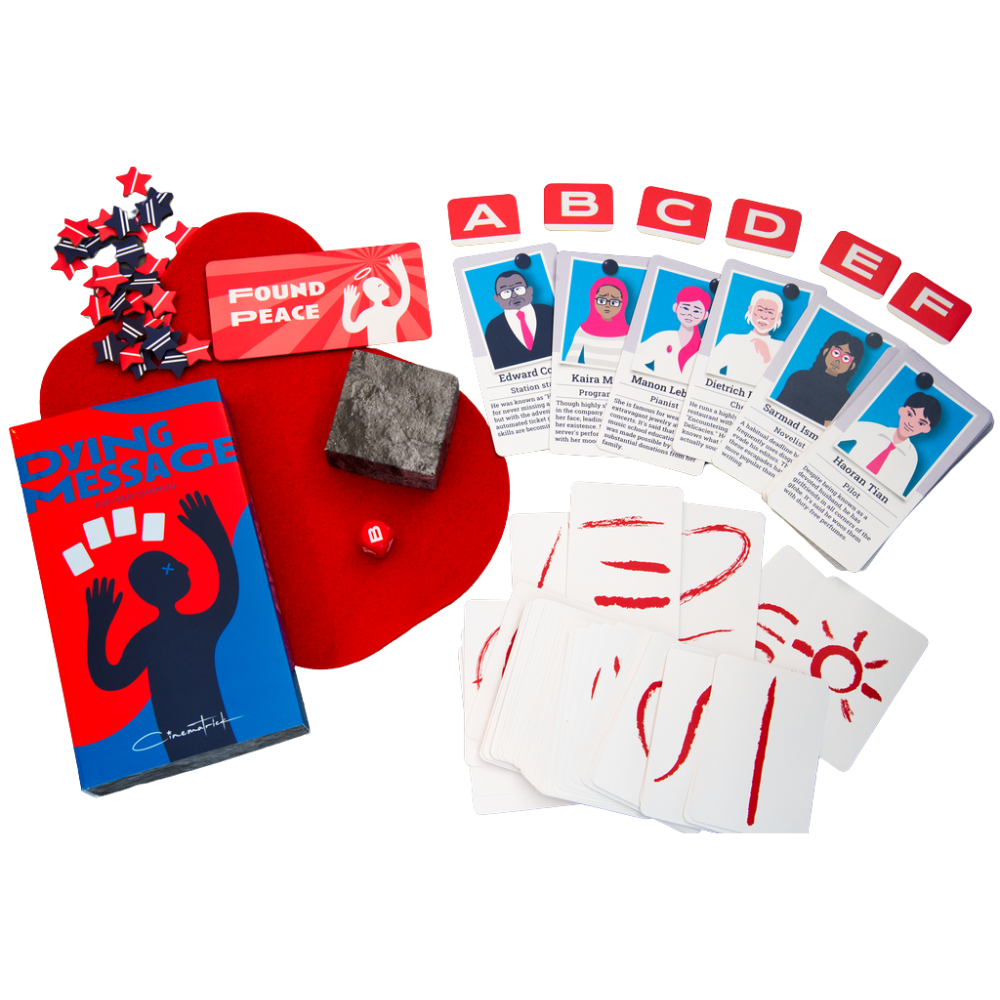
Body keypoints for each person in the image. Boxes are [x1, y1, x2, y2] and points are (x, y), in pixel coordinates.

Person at [86, 492, 240, 762]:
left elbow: (109, 677)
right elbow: (227, 591)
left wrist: (99, 623)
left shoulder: (148, 638)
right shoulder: (197, 626)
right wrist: (213, 534)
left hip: (186, 743)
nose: (184, 566)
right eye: (172, 566)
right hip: (205, 737)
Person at [840, 391, 941, 496]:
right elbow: (837, 434)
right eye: (910, 414)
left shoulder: (911, 458)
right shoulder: (871, 429)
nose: (911, 424)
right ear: (902, 411)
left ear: (926, 429)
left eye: (920, 423)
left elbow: (895, 493)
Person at [776, 331, 865, 425]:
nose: (838, 361)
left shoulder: (844, 399)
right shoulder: (799, 377)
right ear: (826, 351)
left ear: (852, 366)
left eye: (845, 358)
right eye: (836, 353)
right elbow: (777, 408)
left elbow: (831, 429)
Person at [633, 285, 711, 382]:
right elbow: (637, 358)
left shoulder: (704, 348)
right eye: (685, 308)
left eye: (696, 311)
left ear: (705, 315)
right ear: (676, 307)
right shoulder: (663, 338)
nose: (690, 314)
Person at [708, 288, 783, 385]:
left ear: (778, 316)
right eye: (760, 310)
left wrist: (767, 357)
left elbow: (782, 382)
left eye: (770, 312)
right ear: (751, 309)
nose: (764, 316)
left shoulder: (782, 348)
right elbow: (710, 366)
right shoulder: (731, 340)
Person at [483, 270, 554, 370]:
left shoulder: (548, 312)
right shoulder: (493, 328)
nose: (514, 295)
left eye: (518, 289)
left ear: (529, 290)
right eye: (506, 292)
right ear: (497, 298)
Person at [342, 252, 411, 345]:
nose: (387, 286)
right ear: (372, 293)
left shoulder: (388, 312)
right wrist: (348, 304)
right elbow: (351, 327)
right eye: (380, 285)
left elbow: (405, 298)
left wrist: (402, 274)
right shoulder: (371, 314)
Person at [563, 276, 630, 369]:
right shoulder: (583, 330)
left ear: (623, 303)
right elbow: (570, 360)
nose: (607, 305)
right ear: (593, 300)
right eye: (601, 301)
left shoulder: (629, 333)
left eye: (614, 302)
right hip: (589, 376)